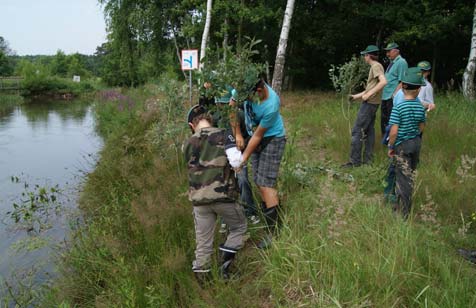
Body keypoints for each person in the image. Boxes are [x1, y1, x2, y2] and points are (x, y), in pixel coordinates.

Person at [183, 105, 247, 282]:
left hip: (199, 202)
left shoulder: (187, 144)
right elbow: (236, 162)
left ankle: (204, 284)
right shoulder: (224, 134)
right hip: (223, 197)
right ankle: (224, 268)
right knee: (239, 227)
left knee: (203, 243)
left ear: (191, 125)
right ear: (210, 120)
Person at [238, 78, 286, 249]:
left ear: (259, 90)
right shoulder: (244, 88)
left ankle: (274, 232)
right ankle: (273, 209)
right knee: (259, 181)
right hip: (256, 139)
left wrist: (242, 160)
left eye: (250, 97)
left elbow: (258, 136)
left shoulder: (271, 104)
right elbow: (231, 106)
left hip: (272, 139)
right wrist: (237, 133)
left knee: (265, 183)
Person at [387, 67, 426, 219]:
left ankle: (403, 213)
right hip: (415, 142)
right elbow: (422, 125)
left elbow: (394, 131)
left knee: (402, 178)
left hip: (402, 145)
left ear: (402, 87)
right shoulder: (419, 106)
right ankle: (404, 204)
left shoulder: (398, 107)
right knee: (410, 174)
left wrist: (391, 146)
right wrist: (416, 135)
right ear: (418, 90)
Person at [343, 45, 387, 168]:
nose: (364, 57)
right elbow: (371, 88)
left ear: (369, 56)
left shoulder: (376, 66)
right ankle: (368, 161)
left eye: (365, 55)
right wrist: (355, 96)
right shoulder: (375, 67)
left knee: (357, 131)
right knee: (369, 132)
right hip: (373, 104)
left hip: (369, 105)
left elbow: (383, 82)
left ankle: (354, 162)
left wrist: (368, 96)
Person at [381, 42, 408, 135]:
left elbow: (402, 81)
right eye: (387, 52)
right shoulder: (392, 62)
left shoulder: (401, 62)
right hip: (385, 96)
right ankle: (384, 141)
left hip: (392, 97)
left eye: (389, 51)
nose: (387, 54)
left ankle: (391, 141)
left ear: (396, 51)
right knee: (384, 119)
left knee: (391, 120)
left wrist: (394, 95)